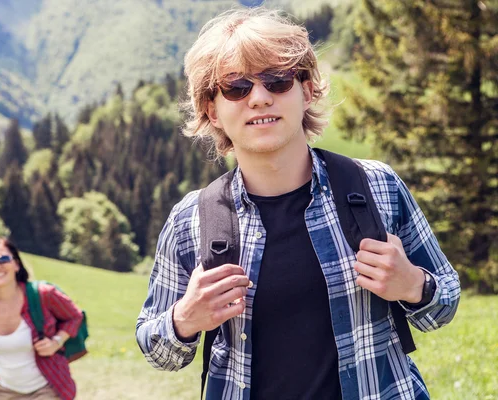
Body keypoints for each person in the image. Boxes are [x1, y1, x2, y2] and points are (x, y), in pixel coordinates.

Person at [136, 8, 461, 400]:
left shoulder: (378, 186)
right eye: (236, 87)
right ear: (211, 110)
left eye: (277, 80)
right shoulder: (192, 221)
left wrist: (413, 285)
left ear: (306, 91)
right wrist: (185, 319)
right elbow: (157, 350)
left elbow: (444, 301)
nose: (259, 98)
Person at [0, 237, 83, 400]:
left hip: (48, 386)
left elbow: (75, 316)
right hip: (6, 390)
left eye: (3, 259)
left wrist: (56, 342)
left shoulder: (43, 294)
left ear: (16, 264)